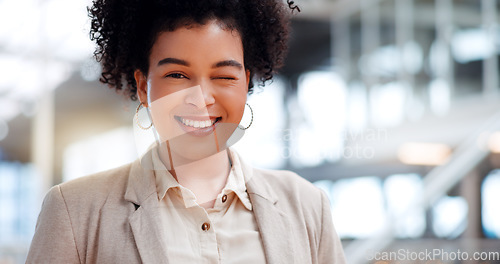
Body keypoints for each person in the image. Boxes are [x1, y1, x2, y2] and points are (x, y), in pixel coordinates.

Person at [26, 0, 346, 263]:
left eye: (224, 76)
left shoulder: (306, 206)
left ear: (247, 83)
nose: (201, 98)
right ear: (142, 86)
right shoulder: (75, 210)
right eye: (178, 75)